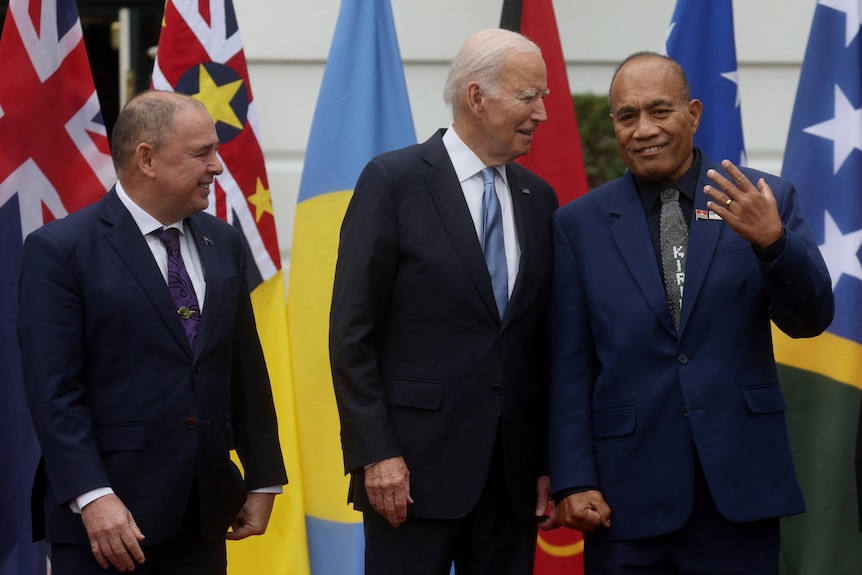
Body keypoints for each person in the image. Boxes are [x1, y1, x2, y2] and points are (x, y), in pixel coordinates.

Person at [547, 52, 833, 574]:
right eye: (627, 116)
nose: (644, 130)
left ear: (694, 114)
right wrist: (572, 477)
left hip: (739, 488)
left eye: (660, 111)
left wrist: (774, 243)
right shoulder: (577, 225)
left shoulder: (759, 197)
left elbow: (811, 319)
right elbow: (568, 366)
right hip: (625, 498)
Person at [17, 90, 287, 574]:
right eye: (202, 152)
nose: (218, 167)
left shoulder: (222, 241)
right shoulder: (60, 250)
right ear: (147, 158)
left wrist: (264, 477)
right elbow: (53, 391)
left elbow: (243, 368)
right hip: (107, 524)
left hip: (202, 515)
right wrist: (93, 497)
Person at [329, 28, 559, 575]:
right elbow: (351, 334)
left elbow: (544, 341)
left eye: (543, 97)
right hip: (409, 474)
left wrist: (550, 460)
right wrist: (376, 453)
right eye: (529, 97)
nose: (542, 113)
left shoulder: (538, 198)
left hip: (511, 478)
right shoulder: (393, 180)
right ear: (477, 96)